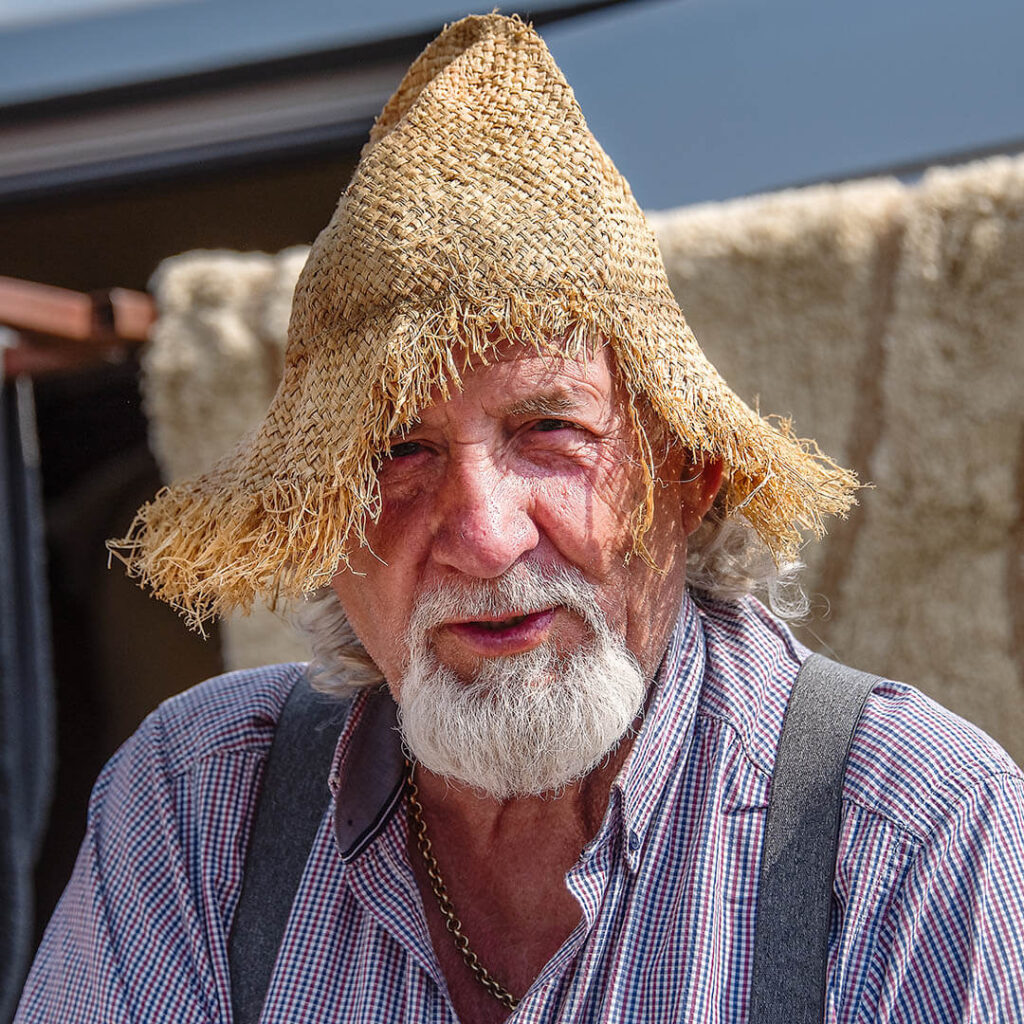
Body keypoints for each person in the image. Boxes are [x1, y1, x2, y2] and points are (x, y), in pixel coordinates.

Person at [17, 14, 1024, 1023]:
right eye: (395, 454)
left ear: (689, 478)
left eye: (550, 431)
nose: (487, 538)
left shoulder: (912, 828)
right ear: (323, 519)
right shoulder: (199, 807)